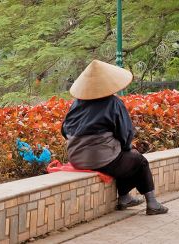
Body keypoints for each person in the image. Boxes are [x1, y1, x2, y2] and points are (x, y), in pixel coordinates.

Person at [61, 60, 168, 215]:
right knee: (138, 160)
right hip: (101, 159)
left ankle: (125, 198)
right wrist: (125, 148)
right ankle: (152, 204)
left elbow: (65, 130)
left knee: (125, 158)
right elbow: (126, 134)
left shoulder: (77, 103)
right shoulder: (114, 103)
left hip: (76, 158)